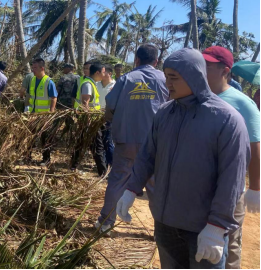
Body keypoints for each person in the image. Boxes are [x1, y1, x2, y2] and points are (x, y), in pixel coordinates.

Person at [117, 48, 251, 270]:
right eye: (166, 76)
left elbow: (232, 179)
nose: (167, 83)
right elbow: (147, 156)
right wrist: (131, 189)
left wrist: (216, 227)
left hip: (203, 228)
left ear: (194, 76)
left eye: (174, 78)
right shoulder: (164, 113)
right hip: (165, 224)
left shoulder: (227, 120)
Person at [95, 44, 169, 233]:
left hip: (126, 140)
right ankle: (160, 229)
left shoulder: (126, 79)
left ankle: (105, 223)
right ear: (156, 61)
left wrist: (113, 121)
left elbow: (110, 104)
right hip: (155, 143)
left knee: (118, 180)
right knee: (155, 185)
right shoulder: (165, 79)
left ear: (136, 59)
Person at [203, 46, 260, 270]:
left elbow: (255, 145)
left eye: (207, 66)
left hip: (230, 187)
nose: (201, 70)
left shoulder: (242, 103)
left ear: (225, 71)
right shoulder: (196, 98)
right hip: (199, 184)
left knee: (229, 239)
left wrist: (255, 187)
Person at [71, 62, 105, 174]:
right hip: (89, 122)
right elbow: (85, 103)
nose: (104, 75)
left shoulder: (92, 83)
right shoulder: (88, 84)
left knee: (81, 144)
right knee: (97, 147)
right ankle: (103, 172)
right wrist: (88, 121)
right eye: (103, 72)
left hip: (90, 121)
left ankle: (73, 166)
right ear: (97, 72)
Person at [25, 58, 58, 165]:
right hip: (33, 114)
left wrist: (51, 113)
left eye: (35, 68)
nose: (33, 70)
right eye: (32, 67)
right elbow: (29, 95)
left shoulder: (49, 82)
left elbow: (53, 97)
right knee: (30, 136)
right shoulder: (33, 80)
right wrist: (27, 108)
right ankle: (27, 157)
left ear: (42, 68)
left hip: (44, 115)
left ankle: (46, 160)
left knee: (45, 138)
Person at [97, 65, 116, 167]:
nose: (101, 74)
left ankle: (111, 164)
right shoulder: (96, 84)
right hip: (96, 116)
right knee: (99, 142)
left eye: (104, 72)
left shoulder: (116, 86)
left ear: (109, 74)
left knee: (108, 141)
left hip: (109, 118)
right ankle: (103, 164)